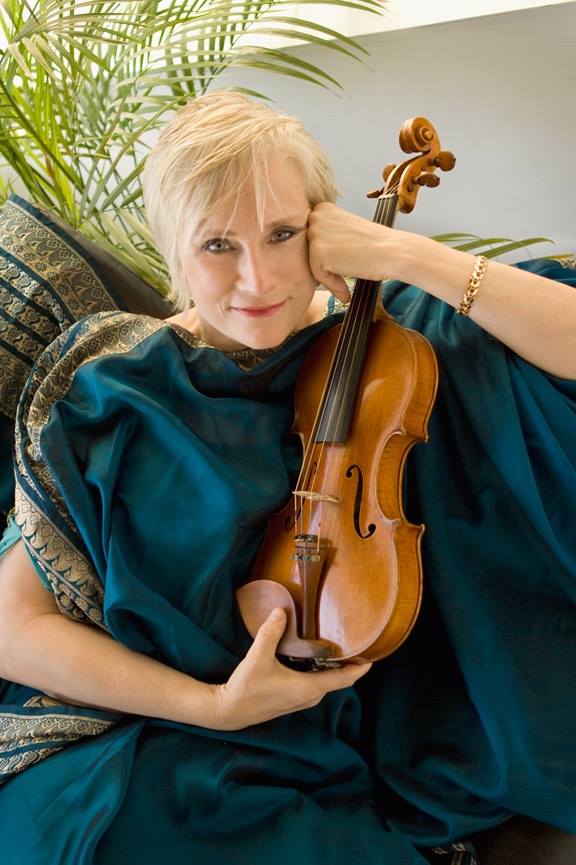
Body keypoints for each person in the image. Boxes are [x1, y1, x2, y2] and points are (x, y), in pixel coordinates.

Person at [0, 90, 574, 865]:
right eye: (217, 244)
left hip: (349, 733)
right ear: (173, 252)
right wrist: (215, 704)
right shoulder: (112, 385)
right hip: (163, 726)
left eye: (283, 233)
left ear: (325, 225)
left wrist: (407, 255)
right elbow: (13, 626)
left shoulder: (395, 345)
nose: (259, 277)